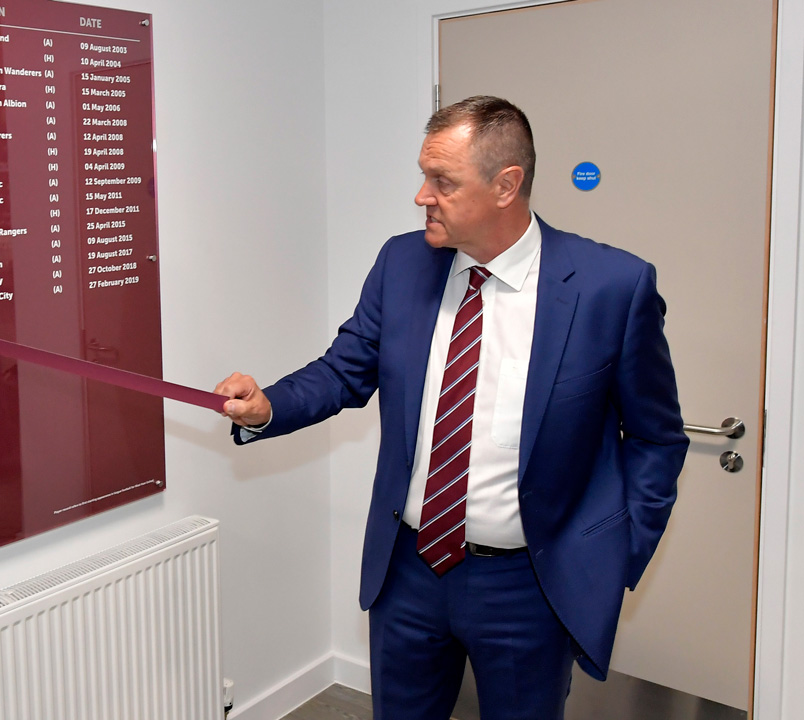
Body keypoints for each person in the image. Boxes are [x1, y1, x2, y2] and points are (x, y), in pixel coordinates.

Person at [215, 96, 688, 720]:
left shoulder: (610, 287)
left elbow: (656, 437)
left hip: (530, 586)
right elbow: (344, 369)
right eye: (423, 175)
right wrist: (268, 406)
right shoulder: (402, 263)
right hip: (408, 573)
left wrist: (614, 550)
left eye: (443, 181)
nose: (421, 196)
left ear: (506, 185)